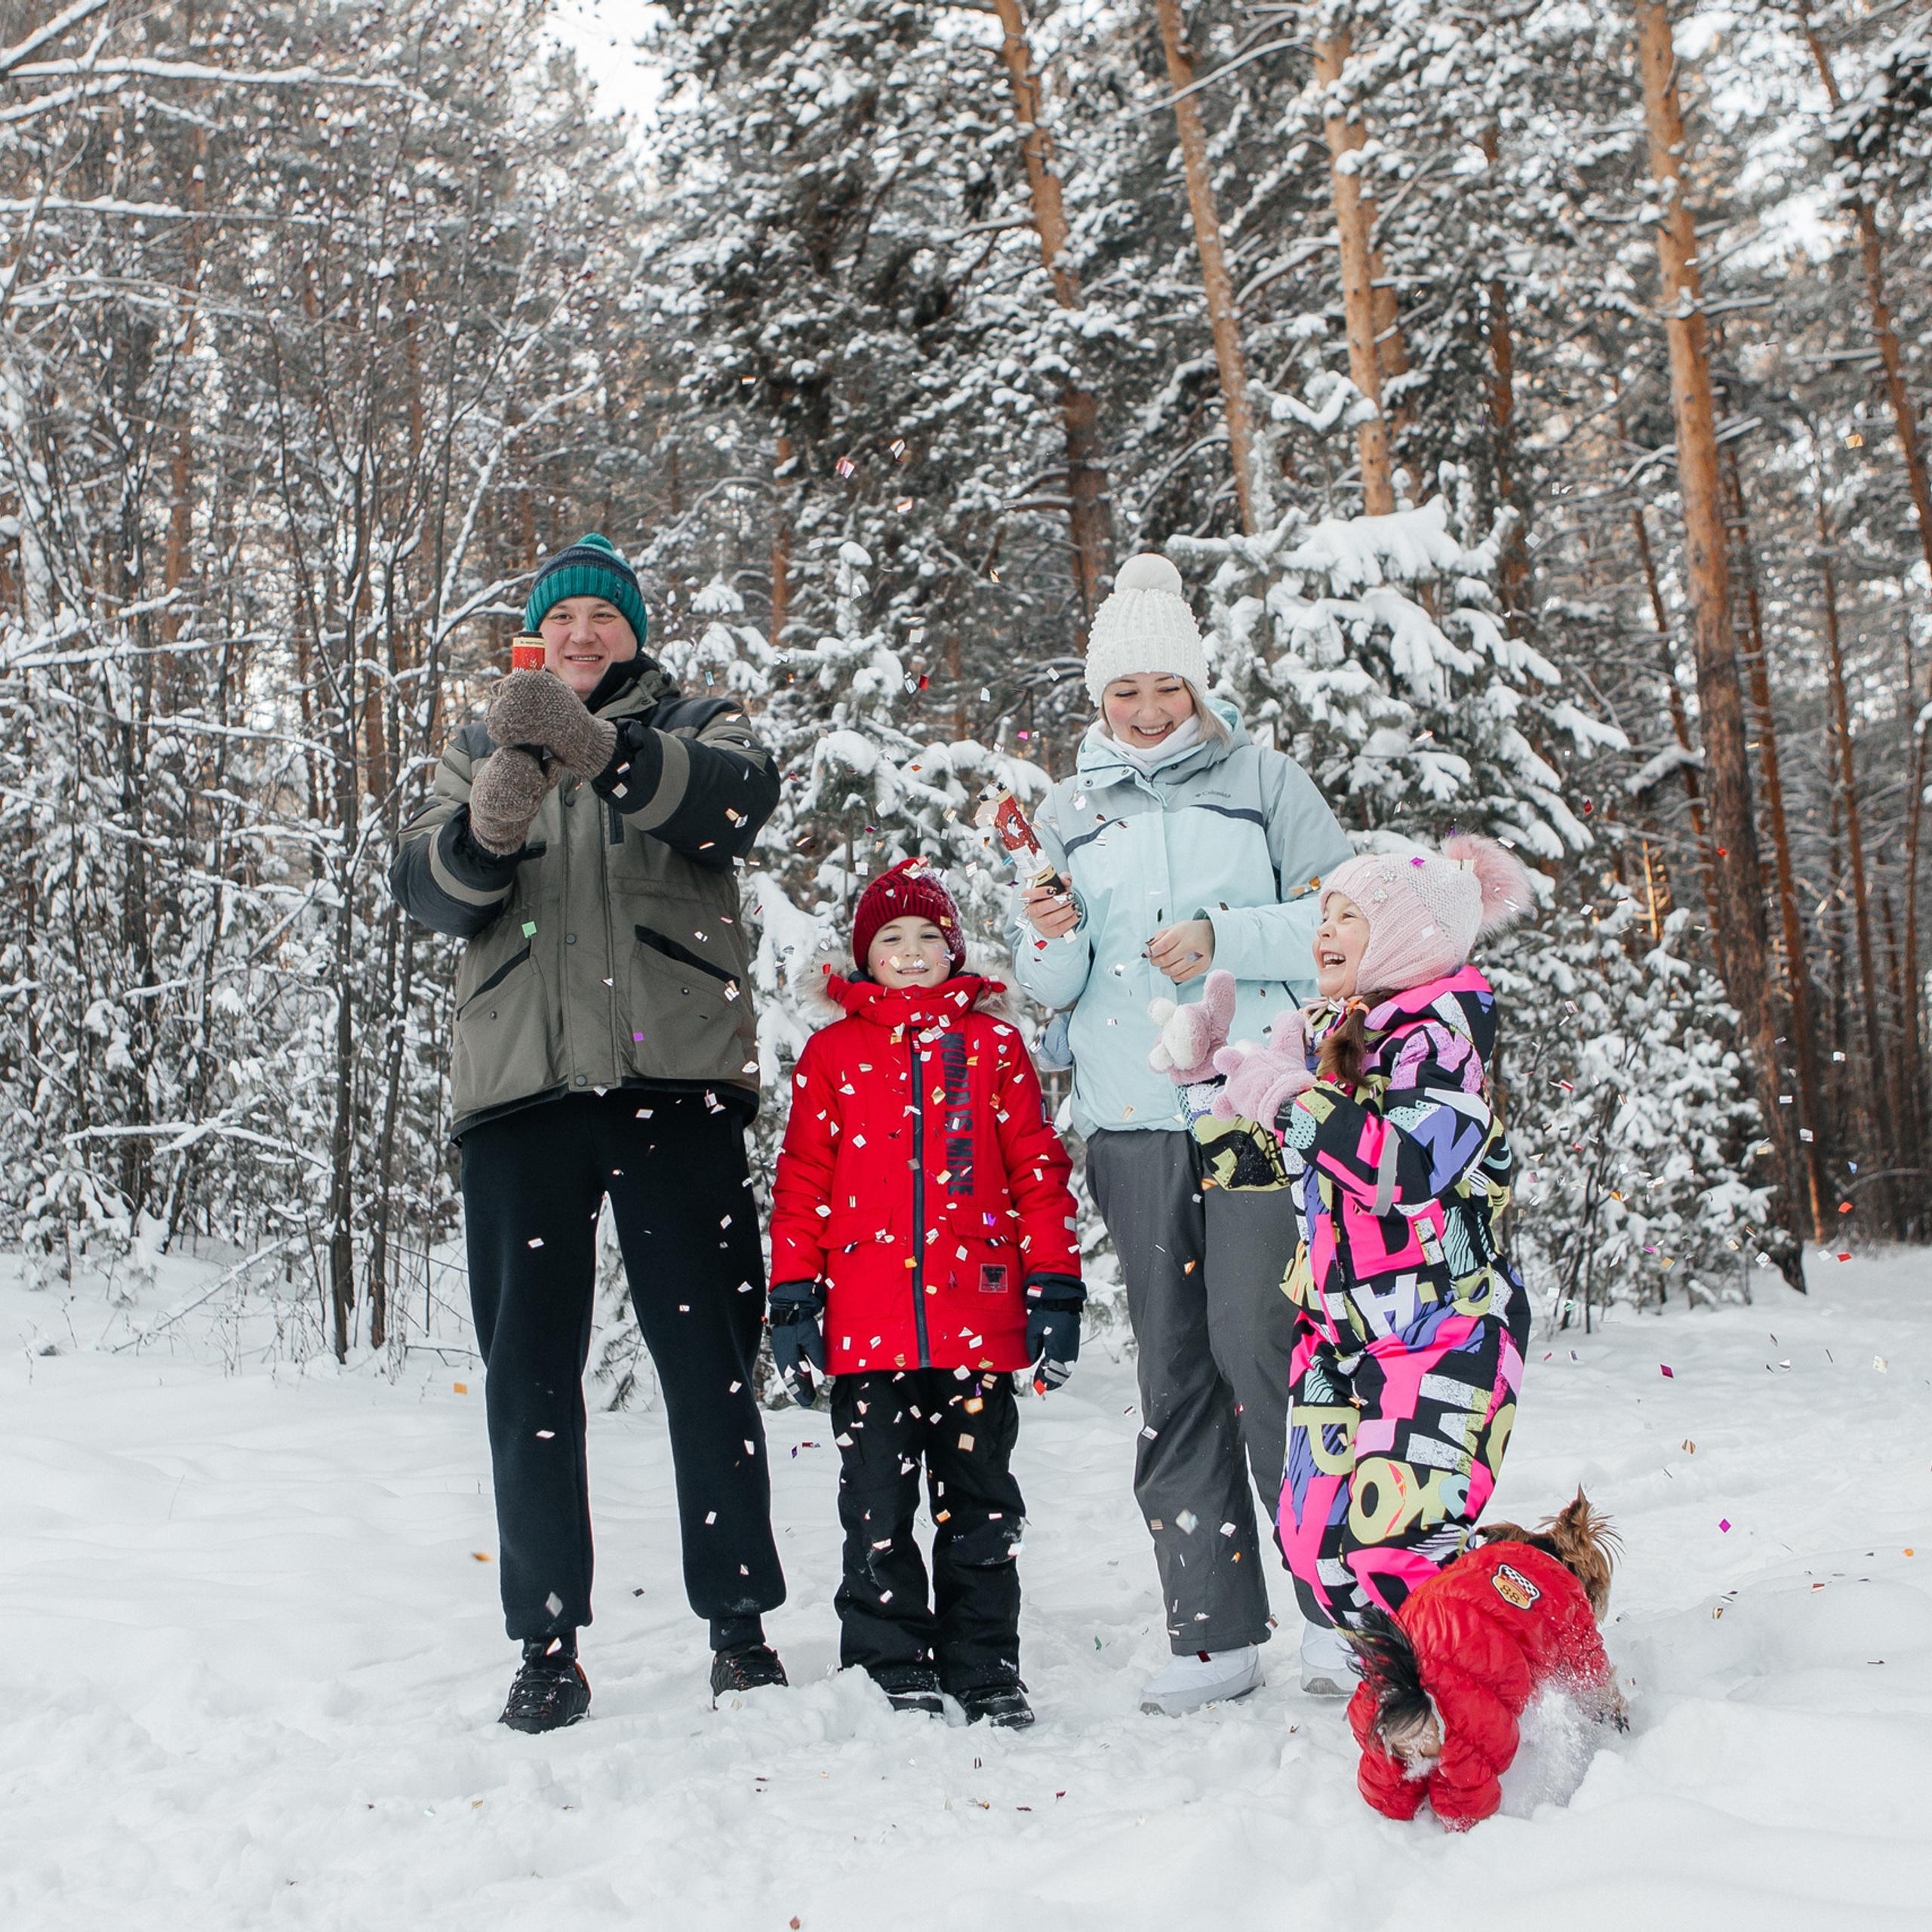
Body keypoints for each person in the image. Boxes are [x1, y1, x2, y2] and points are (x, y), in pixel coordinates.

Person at [390, 534, 789, 1730]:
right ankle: (546, 1643)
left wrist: (601, 750)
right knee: (528, 1376)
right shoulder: (475, 747)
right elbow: (429, 895)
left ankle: (739, 1627)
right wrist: (494, 814)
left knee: (709, 1364)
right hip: (522, 1098)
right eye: (562, 618)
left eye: (603, 618)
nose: (581, 635)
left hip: (676, 1084)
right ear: (535, 636)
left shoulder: (697, 724)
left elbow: (734, 809)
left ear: (634, 633)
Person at [1004, 552, 1353, 1713]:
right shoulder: (1068, 811)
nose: (1148, 711)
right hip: (1133, 1125)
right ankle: (1210, 1632)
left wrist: (1223, 938)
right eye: (1125, 692)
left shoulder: (1265, 781)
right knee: (1175, 1367)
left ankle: (1334, 1613)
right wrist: (1047, 930)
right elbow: (1048, 985)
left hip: (1249, 1107)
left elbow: (1344, 925)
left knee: (1269, 1346)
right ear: (1098, 697)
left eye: (1167, 688)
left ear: (1199, 687)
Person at [1194, 835, 1536, 1695]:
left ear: (1408, 938)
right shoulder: (1328, 1033)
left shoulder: (1443, 1041)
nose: (1325, 932)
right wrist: (1208, 1086)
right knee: (1318, 1556)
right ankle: (1426, 1695)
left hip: (1443, 1332)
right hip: (1338, 1337)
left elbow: (1403, 1168)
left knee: (1397, 1549)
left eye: (1350, 916)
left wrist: (1288, 1096)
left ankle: (1478, 1704)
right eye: (1325, 915)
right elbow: (1256, 1169)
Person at [767, 859, 1083, 1727]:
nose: (910, 953)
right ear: (864, 955)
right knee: (875, 1502)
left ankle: (984, 1663)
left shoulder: (990, 1047)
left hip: (975, 1316)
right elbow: (803, 1182)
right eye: (891, 938)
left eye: (928, 937)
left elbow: (1037, 1172)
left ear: (955, 949)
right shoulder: (834, 1053)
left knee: (980, 1502)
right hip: (866, 1324)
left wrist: (1055, 1284)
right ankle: (889, 1659)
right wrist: (793, 1296)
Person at [1349, 1491, 1626, 1829]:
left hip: (1392, 1665)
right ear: (1589, 1582)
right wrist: (1614, 1711)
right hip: (1462, 1698)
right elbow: (1592, 1675)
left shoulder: (1481, 1561)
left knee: (1388, 1797)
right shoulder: (1566, 1598)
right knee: (1463, 1804)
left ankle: (1396, 1790)